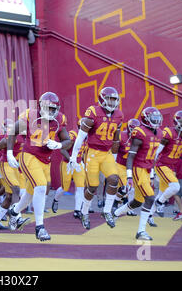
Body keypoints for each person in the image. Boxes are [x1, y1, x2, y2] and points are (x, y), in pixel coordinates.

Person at [7, 91, 71, 241]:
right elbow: (13, 131)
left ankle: (14, 212)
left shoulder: (60, 119)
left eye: (52, 108)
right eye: (46, 108)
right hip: (29, 155)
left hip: (45, 160)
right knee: (41, 187)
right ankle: (40, 228)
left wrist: (59, 144)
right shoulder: (30, 115)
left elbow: (68, 140)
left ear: (57, 109)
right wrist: (10, 153)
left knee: (30, 195)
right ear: (40, 106)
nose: (49, 111)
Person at [68, 87, 124, 230]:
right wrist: (74, 157)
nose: (112, 102)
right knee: (92, 186)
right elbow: (80, 137)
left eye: (114, 99)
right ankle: (84, 212)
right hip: (92, 152)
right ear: (102, 99)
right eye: (109, 99)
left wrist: (115, 157)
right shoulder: (93, 112)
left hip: (107, 154)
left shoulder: (118, 115)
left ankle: (107, 211)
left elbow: (116, 139)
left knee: (114, 179)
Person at [113, 107, 163, 240]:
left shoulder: (159, 133)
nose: (156, 121)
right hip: (138, 169)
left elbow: (152, 156)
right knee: (150, 198)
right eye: (153, 118)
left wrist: (151, 175)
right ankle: (141, 231)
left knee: (137, 201)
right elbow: (130, 156)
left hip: (147, 170)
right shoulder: (139, 132)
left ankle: (116, 213)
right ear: (146, 119)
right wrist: (129, 176)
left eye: (158, 118)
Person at [0, 120, 29, 230]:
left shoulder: (29, 137)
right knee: (16, 190)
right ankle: (16, 217)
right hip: (6, 164)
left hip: (18, 167)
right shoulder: (10, 137)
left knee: (10, 196)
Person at [153, 110, 182, 220]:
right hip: (161, 165)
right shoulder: (169, 132)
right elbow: (156, 152)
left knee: (162, 192)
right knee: (175, 186)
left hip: (171, 167)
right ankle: (159, 202)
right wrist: (151, 170)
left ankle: (148, 216)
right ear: (176, 122)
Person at [52, 120, 87, 219]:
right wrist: (71, 159)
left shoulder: (87, 137)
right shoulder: (73, 135)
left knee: (80, 187)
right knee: (65, 188)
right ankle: (56, 199)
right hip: (68, 164)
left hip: (78, 164)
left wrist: (83, 162)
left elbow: (83, 151)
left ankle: (77, 210)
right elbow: (62, 150)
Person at [113, 118, 141, 216]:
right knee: (126, 188)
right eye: (133, 129)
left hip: (131, 166)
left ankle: (128, 208)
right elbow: (114, 149)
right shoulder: (122, 135)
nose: (135, 132)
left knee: (132, 189)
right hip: (120, 165)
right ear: (129, 128)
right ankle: (115, 202)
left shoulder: (140, 138)